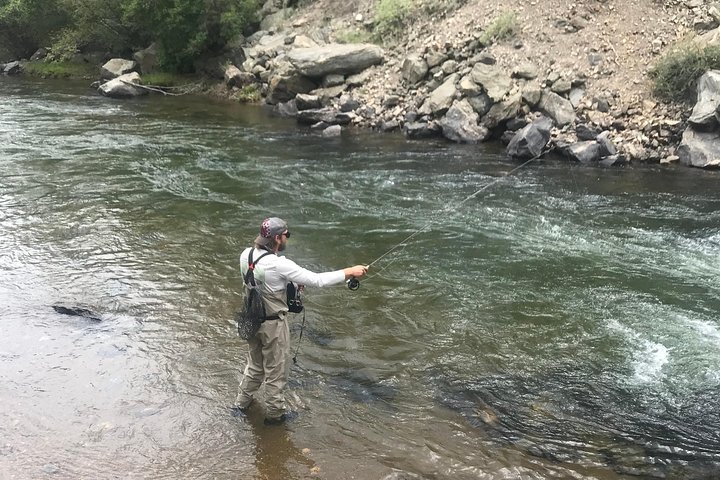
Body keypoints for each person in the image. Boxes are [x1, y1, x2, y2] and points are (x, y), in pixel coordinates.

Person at [233, 217, 367, 425]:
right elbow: (318, 280)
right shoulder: (279, 264)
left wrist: (291, 285)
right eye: (287, 235)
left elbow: (262, 283)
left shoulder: (246, 255)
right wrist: (350, 271)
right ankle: (275, 417)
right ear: (277, 238)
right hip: (273, 326)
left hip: (251, 320)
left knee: (255, 367)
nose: (288, 238)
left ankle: (240, 405)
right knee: (276, 373)